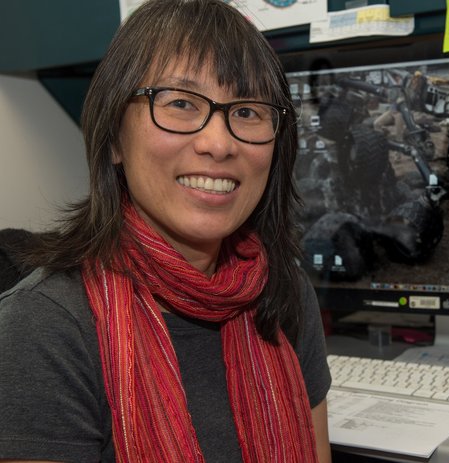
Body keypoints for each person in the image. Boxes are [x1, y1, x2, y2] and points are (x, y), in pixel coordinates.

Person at [0, 0, 332, 461]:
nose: (218, 143)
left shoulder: (285, 292)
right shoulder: (45, 327)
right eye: (179, 102)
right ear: (115, 137)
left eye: (248, 111)